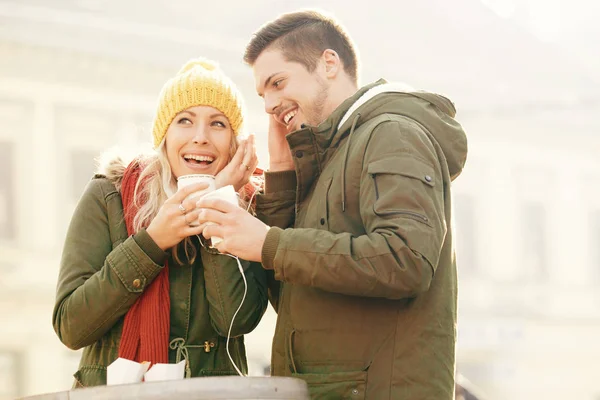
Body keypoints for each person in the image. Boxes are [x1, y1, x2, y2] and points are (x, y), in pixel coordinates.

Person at [197, 9, 469, 399]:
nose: (270, 104)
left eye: (278, 82)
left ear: (329, 64)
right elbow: (296, 297)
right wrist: (281, 179)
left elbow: (406, 259)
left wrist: (268, 243)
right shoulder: (327, 158)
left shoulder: (392, 133)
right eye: (263, 94)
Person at [52, 58, 268, 387]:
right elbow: (72, 326)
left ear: (235, 144)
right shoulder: (109, 193)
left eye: (218, 124)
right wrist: (152, 243)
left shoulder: (248, 206)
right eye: (185, 120)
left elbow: (235, 319)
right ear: (164, 134)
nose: (201, 137)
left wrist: (218, 202)